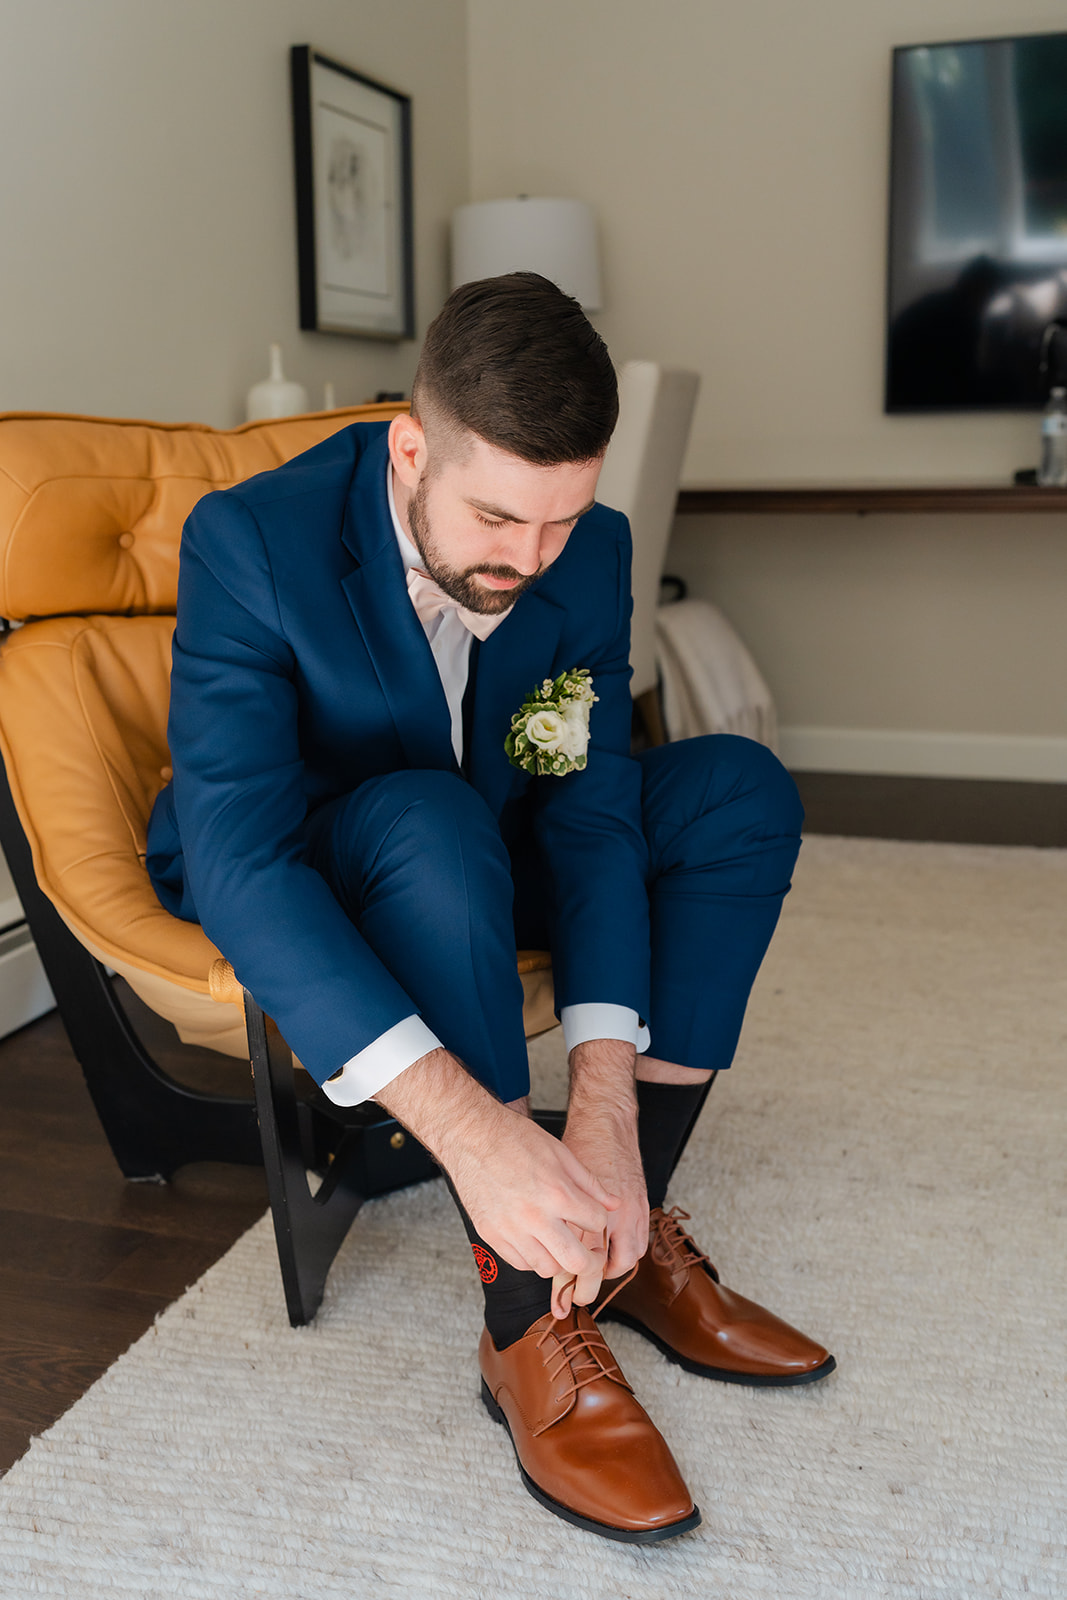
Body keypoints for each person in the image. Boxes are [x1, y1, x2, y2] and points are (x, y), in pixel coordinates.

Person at [147, 272, 834, 1545]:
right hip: (326, 854)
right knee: (427, 814)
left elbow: (582, 806)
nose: (528, 564)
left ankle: (610, 1236)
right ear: (413, 448)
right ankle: (527, 1309)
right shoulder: (250, 542)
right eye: (500, 518)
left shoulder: (591, 553)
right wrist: (474, 1132)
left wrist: (605, 1100)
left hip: (482, 828)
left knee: (734, 791)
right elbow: (238, 859)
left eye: (561, 522)